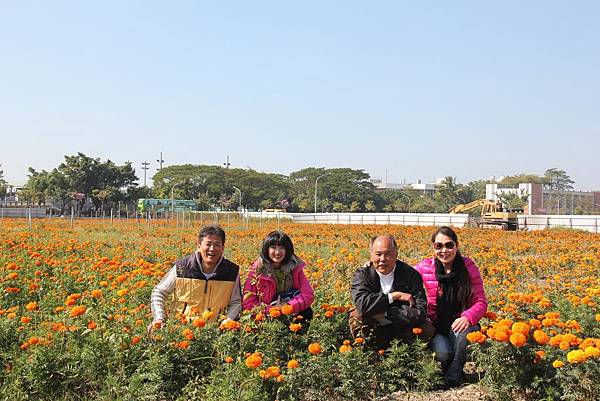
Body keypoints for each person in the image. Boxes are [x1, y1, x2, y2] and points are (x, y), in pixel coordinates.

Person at [414, 226, 488, 388]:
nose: (444, 250)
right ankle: (448, 366)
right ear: (433, 248)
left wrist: (467, 317)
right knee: (442, 353)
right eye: (438, 246)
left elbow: (481, 302)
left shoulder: (468, 267)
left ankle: (453, 376)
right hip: (438, 326)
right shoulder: (425, 267)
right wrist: (373, 264)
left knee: (461, 332)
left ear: (457, 246)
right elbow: (402, 274)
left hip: (463, 324)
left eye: (449, 245)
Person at [149, 224, 241, 330]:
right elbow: (159, 292)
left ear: (223, 247)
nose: (212, 248)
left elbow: (236, 302)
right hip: (181, 330)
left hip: (216, 332)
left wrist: (228, 320)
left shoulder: (232, 271)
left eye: (217, 244)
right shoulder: (182, 267)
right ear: (199, 245)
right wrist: (159, 318)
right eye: (208, 244)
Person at [350, 235, 434, 348]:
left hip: (402, 326)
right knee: (357, 317)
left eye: (388, 254)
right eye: (378, 254)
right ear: (371, 255)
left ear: (396, 254)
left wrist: (387, 314)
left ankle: (407, 357)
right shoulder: (363, 274)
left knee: (427, 328)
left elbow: (420, 311)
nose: (383, 259)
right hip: (375, 326)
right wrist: (393, 296)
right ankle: (370, 353)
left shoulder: (410, 275)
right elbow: (362, 305)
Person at [242, 231, 314, 324]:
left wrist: (288, 306)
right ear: (266, 249)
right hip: (267, 313)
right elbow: (248, 303)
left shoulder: (295, 267)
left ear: (288, 250)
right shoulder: (257, 270)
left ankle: (298, 336)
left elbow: (308, 294)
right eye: (273, 247)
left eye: (282, 248)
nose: (277, 252)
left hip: (290, 307)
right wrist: (271, 310)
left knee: (307, 312)